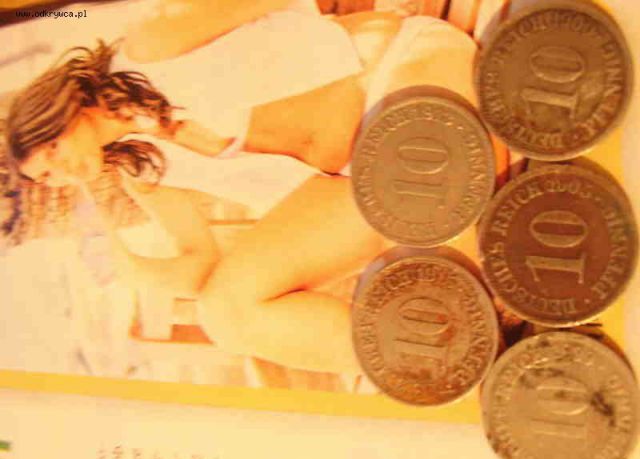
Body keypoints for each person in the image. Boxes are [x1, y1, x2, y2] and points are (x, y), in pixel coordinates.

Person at [3, 2, 497, 374]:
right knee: (227, 314)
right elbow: (199, 266)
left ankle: (468, 312)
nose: (61, 174)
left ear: (58, 111)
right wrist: (134, 270)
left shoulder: (151, 46)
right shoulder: (143, 170)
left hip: (401, 73)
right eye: (48, 178)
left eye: (51, 154)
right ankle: (440, 360)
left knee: (412, 186)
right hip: (362, 180)